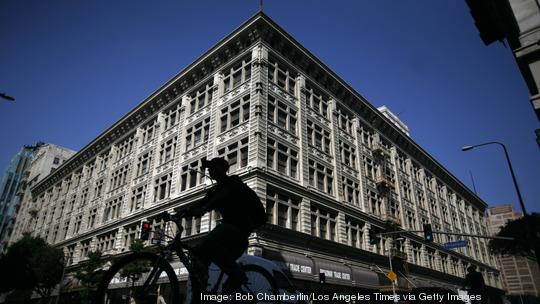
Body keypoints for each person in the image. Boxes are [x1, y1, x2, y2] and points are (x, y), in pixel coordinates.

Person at [184, 157, 265, 293]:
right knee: (200, 256)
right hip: (228, 235)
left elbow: (221, 196)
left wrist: (204, 208)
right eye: (209, 169)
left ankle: (238, 275)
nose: (209, 171)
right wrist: (181, 214)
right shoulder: (214, 190)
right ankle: (200, 293)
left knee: (210, 240)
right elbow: (201, 203)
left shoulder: (233, 181)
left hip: (238, 231)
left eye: (212, 167)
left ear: (222, 169)